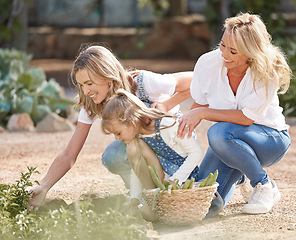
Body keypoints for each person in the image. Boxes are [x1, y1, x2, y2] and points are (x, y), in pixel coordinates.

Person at [29, 44, 193, 209]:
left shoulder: (142, 82)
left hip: (174, 146)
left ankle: (165, 191)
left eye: (89, 83)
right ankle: (144, 194)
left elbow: (196, 80)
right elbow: (69, 154)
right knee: (113, 155)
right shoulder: (91, 103)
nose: (85, 91)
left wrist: (166, 105)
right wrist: (43, 186)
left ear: (106, 76)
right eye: (81, 85)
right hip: (143, 148)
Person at [177, 12, 292, 215]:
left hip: (270, 140)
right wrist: (182, 135)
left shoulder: (266, 71)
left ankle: (264, 185)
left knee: (218, 134)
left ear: (251, 52)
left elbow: (246, 119)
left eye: (233, 51)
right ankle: (239, 172)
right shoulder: (207, 63)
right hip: (227, 144)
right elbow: (198, 103)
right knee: (205, 203)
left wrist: (203, 113)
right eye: (222, 45)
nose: (224, 55)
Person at [101, 89, 202, 200]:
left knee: (150, 214)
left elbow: (196, 151)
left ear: (132, 122)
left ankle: (154, 200)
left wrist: (175, 180)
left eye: (118, 133)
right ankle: (149, 197)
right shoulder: (138, 135)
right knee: (133, 147)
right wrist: (135, 197)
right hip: (161, 183)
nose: (116, 138)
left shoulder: (168, 125)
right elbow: (137, 169)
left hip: (181, 181)